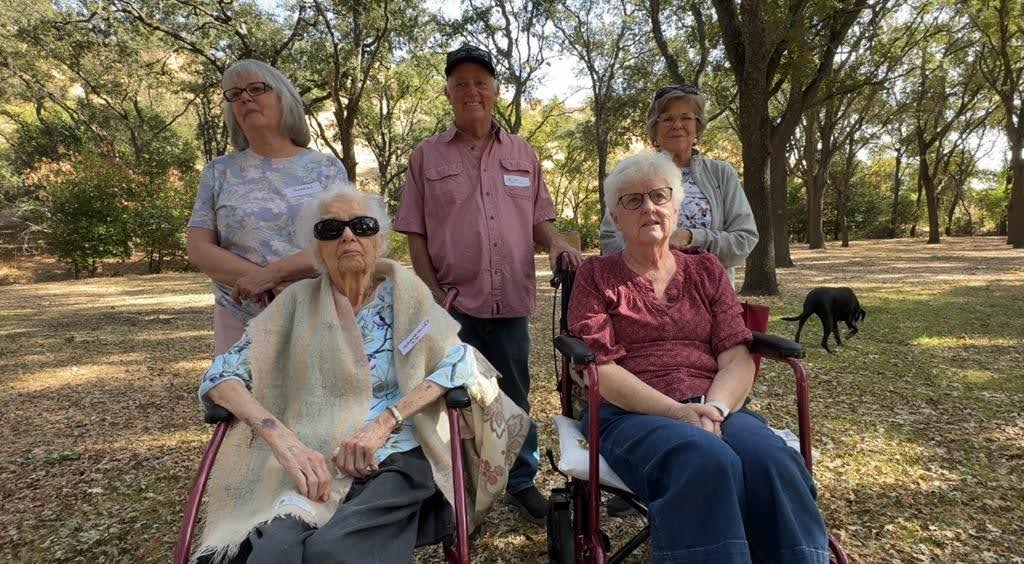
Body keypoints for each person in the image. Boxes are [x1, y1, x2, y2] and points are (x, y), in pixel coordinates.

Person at [194, 188, 528, 564]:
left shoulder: (405, 295)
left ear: (379, 241)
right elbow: (221, 375)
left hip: (396, 455)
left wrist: (384, 423)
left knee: (333, 554)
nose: (348, 236)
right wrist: (282, 439)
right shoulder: (295, 303)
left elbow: (461, 361)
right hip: (311, 457)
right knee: (273, 552)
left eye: (362, 226)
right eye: (331, 229)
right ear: (317, 249)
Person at [569, 153, 828, 563]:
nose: (649, 207)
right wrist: (680, 414)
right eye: (632, 200)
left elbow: (737, 356)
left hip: (716, 404)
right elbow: (602, 371)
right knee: (706, 459)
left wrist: (715, 409)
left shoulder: (706, 269)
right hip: (631, 414)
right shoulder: (596, 276)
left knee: (772, 459)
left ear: (675, 206)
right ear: (615, 219)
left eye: (659, 195)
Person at [394, 45, 582, 524]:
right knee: (453, 400)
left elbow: (541, 220)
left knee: (514, 394)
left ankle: (520, 479)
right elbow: (415, 233)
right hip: (453, 305)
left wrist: (559, 243)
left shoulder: (523, 153)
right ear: (448, 93)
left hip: (512, 303)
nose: (471, 90)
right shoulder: (426, 156)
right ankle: (458, 492)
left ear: (496, 90)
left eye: (481, 81)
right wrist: (435, 297)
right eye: (460, 84)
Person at [187, 59, 350, 356]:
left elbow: (344, 242)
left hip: (317, 313)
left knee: (319, 400)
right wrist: (262, 282)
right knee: (242, 401)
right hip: (240, 322)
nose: (245, 97)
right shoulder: (219, 172)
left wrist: (275, 274)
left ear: (283, 97)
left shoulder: (325, 169)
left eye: (256, 88)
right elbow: (199, 248)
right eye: (234, 94)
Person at [599, 84, 757, 287]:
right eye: (667, 119)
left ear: (697, 127)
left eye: (686, 117)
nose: (677, 125)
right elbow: (610, 236)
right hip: (646, 294)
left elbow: (744, 239)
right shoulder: (632, 174)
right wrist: (650, 257)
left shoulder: (721, 174)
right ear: (654, 129)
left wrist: (693, 238)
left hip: (711, 297)